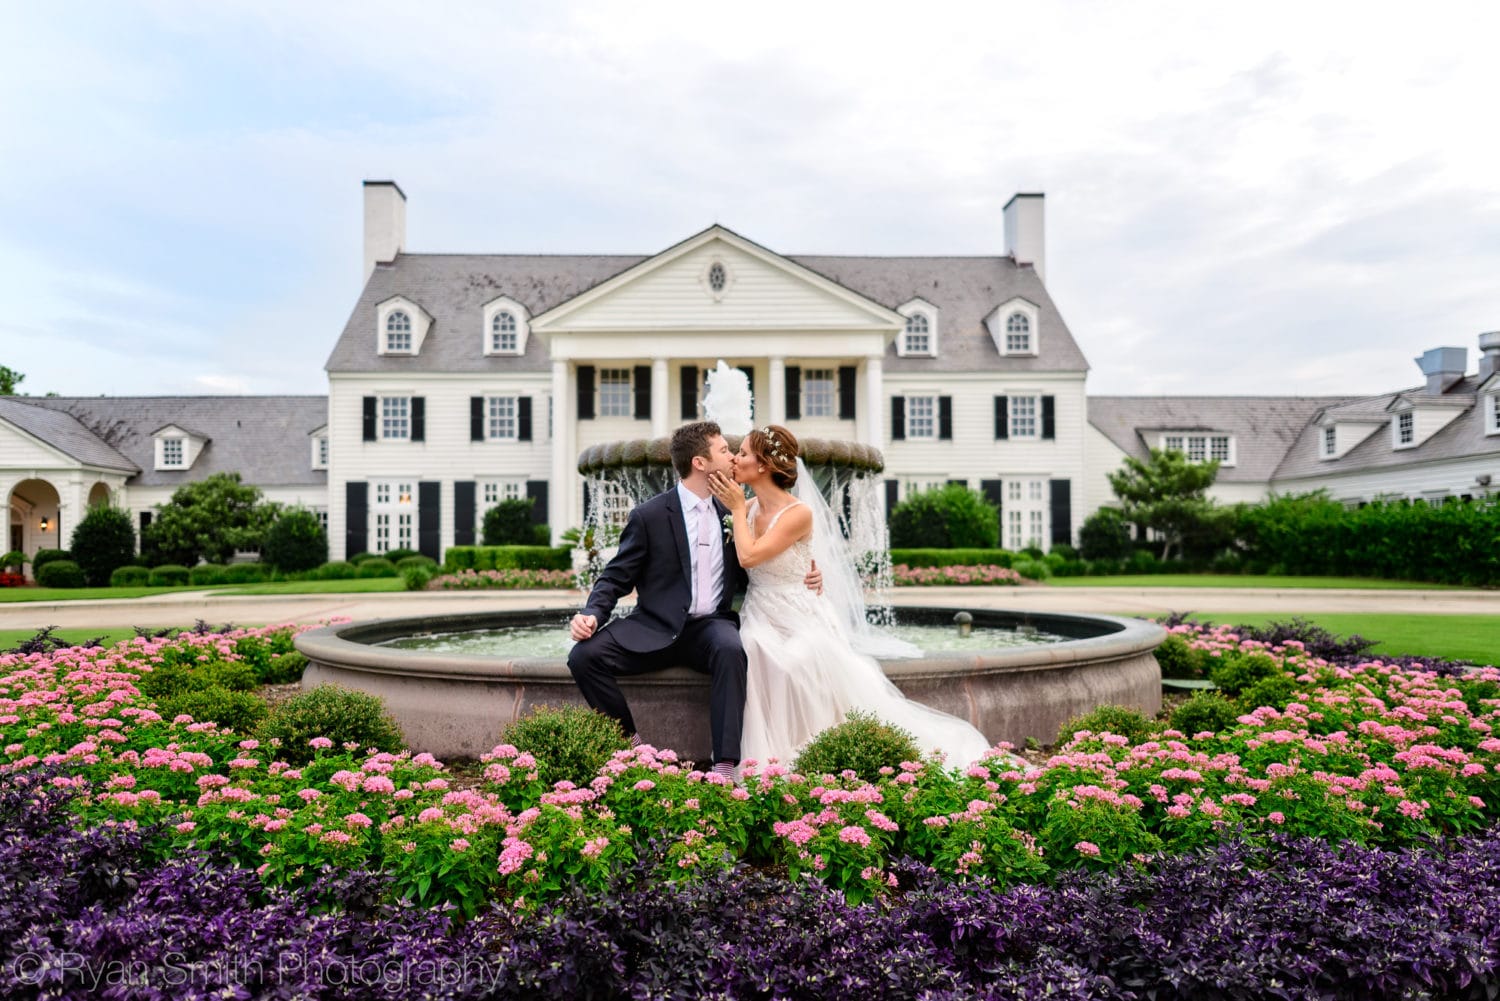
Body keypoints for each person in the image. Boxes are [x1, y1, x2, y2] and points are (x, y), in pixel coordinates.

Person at [707, 424, 994, 771]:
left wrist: (737, 509)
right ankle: (763, 761)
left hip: (799, 611)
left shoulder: (797, 513)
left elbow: (749, 556)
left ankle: (813, 753)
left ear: (764, 465)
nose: (736, 459)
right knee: (753, 647)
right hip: (761, 610)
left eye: (743, 453)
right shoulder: (748, 506)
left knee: (798, 659)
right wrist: (740, 509)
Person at [567, 420, 822, 780]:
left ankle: (725, 765)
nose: (733, 456)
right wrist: (591, 613)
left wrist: (809, 575)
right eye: (724, 450)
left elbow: (766, 561)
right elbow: (615, 576)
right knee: (583, 656)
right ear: (700, 463)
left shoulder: (736, 513)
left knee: (732, 650)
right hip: (653, 626)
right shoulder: (650, 515)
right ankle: (631, 746)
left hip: (710, 627)